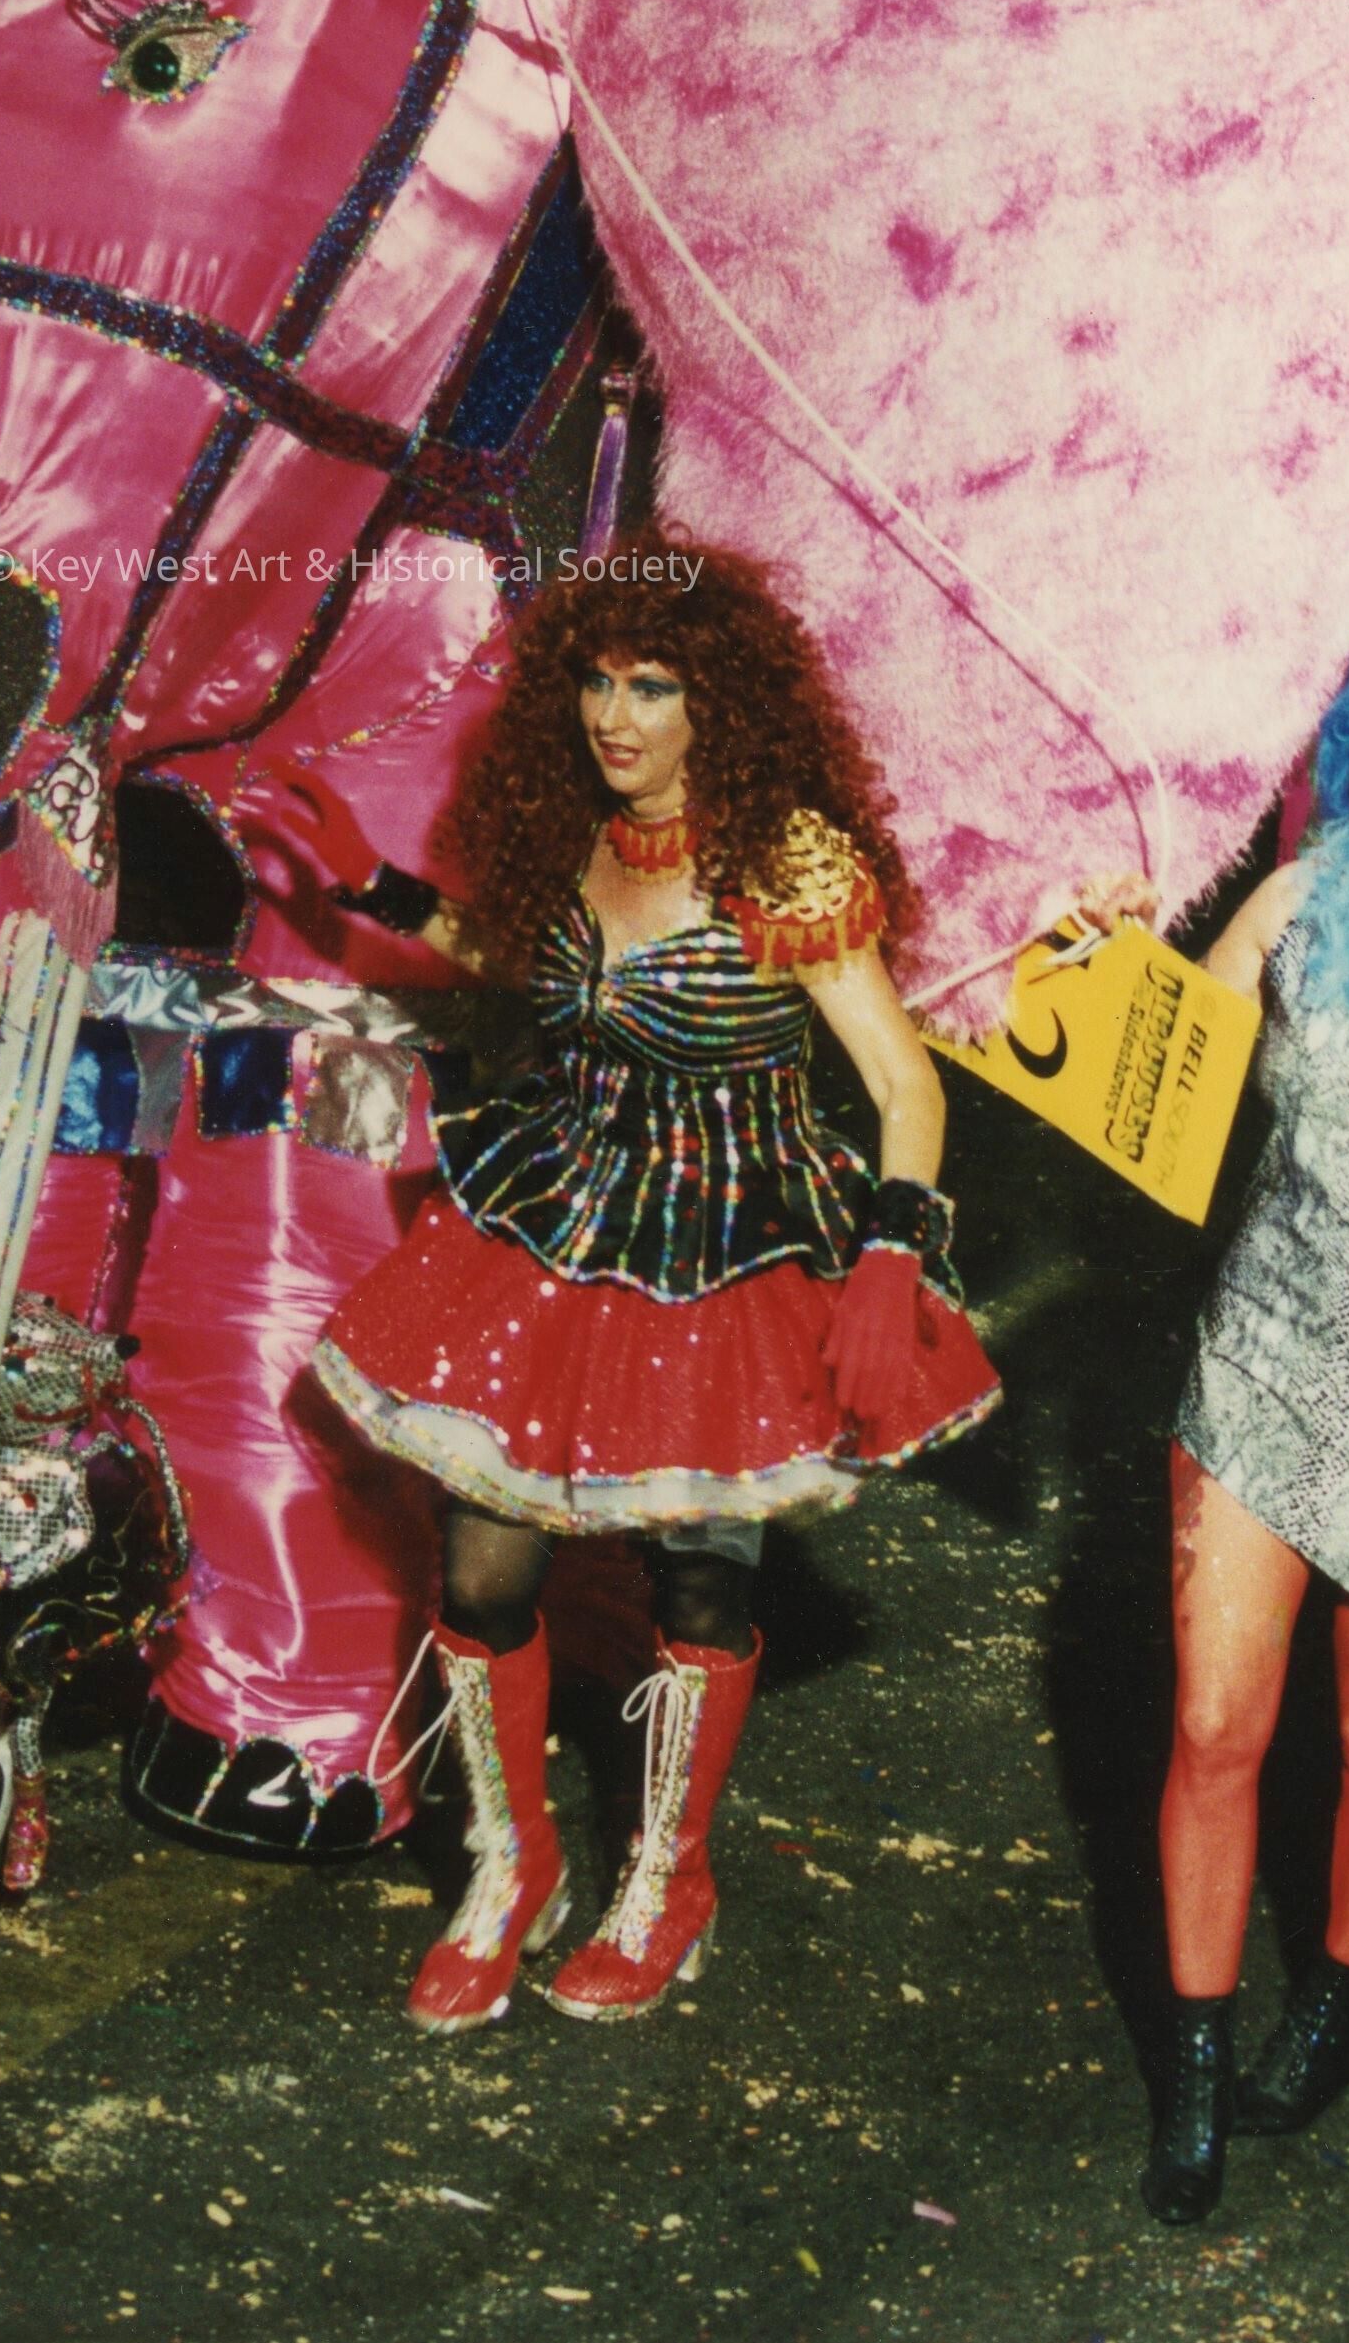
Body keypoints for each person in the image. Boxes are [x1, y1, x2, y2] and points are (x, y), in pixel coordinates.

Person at [314, 542, 1000, 2030]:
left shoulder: (786, 860)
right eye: (595, 680)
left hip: (730, 1246)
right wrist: (371, 886)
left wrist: (892, 1248)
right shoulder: (575, 822)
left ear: (718, 705)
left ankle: (667, 1878)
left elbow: (905, 1083)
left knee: (697, 1573)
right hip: (562, 1214)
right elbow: (521, 962)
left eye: (652, 686)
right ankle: (511, 1863)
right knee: (482, 1569)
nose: (612, 715)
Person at [1079, 510, 1349, 2223]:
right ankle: (1190, 2067)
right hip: (1264, 1345)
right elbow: (1152, 1093)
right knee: (1211, 1722)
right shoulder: (1293, 896)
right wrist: (1114, 951)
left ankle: (1334, 1995)